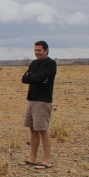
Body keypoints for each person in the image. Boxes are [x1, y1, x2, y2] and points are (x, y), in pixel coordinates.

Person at [20, 40, 57, 169]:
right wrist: (36, 77)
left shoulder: (51, 64)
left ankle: (47, 161)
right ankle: (33, 158)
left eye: (39, 50)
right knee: (33, 129)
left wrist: (33, 76)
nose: (37, 52)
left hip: (42, 101)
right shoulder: (34, 63)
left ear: (46, 50)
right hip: (31, 99)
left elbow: (40, 77)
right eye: (35, 50)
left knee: (42, 129)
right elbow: (24, 78)